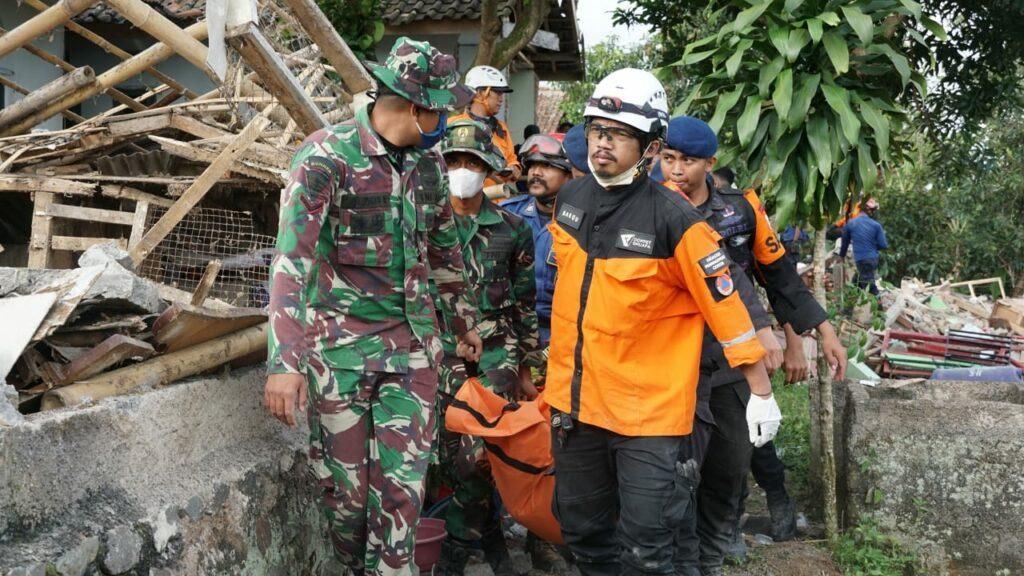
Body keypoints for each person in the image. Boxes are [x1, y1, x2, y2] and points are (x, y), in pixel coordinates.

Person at [264, 37, 485, 576]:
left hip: (412, 353)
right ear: (413, 106)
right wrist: (284, 363)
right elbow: (291, 262)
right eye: (439, 111)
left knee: (402, 493)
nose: (443, 123)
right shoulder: (326, 157)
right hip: (340, 355)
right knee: (348, 501)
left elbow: (444, 250)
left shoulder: (428, 166)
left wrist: (464, 323)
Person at [546, 68, 776, 576]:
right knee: (583, 533)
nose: (603, 143)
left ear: (650, 147)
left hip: (648, 416)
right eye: (597, 130)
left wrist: (760, 391)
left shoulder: (676, 219)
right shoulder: (571, 201)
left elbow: (727, 307)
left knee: (649, 547)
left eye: (619, 134)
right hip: (575, 404)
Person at [658, 115, 847, 575]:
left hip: (732, 358)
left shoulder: (741, 210)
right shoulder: (648, 205)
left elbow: (779, 276)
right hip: (668, 357)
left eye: (688, 161)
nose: (676, 170)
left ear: (710, 163)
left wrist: (822, 332)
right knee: (671, 466)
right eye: (668, 158)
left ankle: (713, 549)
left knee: (731, 460)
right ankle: (682, 556)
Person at [432, 118, 545, 575]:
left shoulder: (512, 228)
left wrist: (526, 368)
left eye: (473, 162)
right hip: (439, 352)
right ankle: (492, 534)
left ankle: (456, 550)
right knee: (449, 459)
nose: (463, 170)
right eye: (454, 161)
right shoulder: (426, 223)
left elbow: (525, 302)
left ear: (488, 169)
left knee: (478, 454)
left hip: (497, 352)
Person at [502, 133, 574, 348]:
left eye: (547, 166)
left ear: (569, 174)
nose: (536, 172)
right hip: (512, 328)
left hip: (561, 332)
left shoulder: (582, 221)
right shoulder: (509, 213)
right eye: (532, 165)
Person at [451, 65, 520, 187]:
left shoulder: (501, 128)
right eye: (497, 92)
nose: (501, 99)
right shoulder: (453, 125)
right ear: (479, 93)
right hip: (462, 196)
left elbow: (511, 159)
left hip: (496, 196)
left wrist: (514, 168)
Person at [840, 198, 887, 295]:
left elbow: (844, 244)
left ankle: (878, 302)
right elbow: (883, 245)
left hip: (861, 259)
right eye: (873, 210)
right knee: (857, 281)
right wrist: (871, 246)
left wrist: (841, 256)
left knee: (868, 284)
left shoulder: (850, 223)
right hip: (872, 258)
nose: (873, 212)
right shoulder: (876, 225)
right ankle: (850, 303)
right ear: (869, 211)